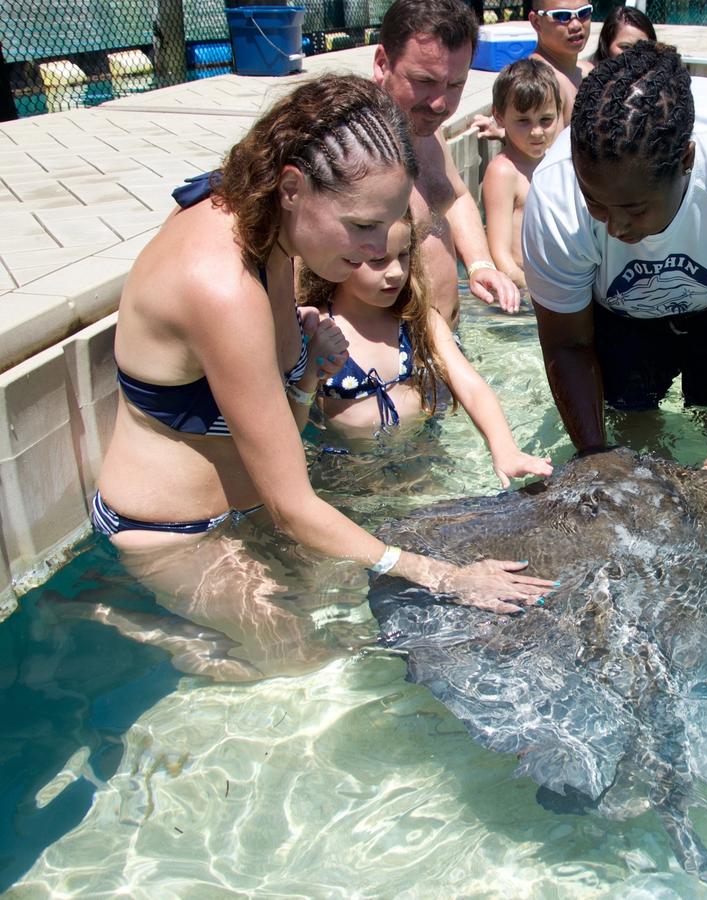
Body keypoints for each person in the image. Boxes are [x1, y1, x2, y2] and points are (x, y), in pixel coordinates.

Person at [91, 75, 553, 681]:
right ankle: (119, 616)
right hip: (173, 533)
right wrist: (444, 575)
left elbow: (281, 425)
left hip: (248, 514)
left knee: (350, 624)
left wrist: (307, 369)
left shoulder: (268, 232)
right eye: (361, 226)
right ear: (292, 187)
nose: (375, 250)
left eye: (388, 227)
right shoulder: (221, 287)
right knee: (295, 666)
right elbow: (293, 504)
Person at [523, 43, 707, 497]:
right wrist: (595, 459)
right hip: (619, 313)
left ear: (686, 160)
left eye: (634, 209)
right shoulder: (555, 192)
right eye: (596, 203)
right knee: (627, 426)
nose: (617, 227)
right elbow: (568, 342)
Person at [298, 213, 554, 486]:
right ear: (338, 259)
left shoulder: (417, 321)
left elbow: (471, 387)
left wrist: (504, 449)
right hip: (349, 471)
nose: (396, 271)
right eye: (378, 260)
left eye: (404, 255)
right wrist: (310, 373)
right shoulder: (316, 329)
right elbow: (291, 425)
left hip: (421, 458)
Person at [373, 0, 521, 326]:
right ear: (383, 63)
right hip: (398, 357)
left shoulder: (426, 128)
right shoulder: (357, 150)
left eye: (455, 85)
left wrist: (481, 265)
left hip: (447, 340)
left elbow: (456, 196)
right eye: (424, 81)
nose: (441, 104)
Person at [481, 58, 562, 290]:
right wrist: (535, 291)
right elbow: (499, 254)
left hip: (548, 282)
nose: (537, 132)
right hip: (522, 286)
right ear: (499, 117)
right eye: (523, 121)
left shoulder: (552, 162)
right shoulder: (504, 172)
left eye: (546, 120)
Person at [472, 0, 593, 139]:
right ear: (536, 22)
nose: (576, 25)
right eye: (562, 16)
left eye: (584, 13)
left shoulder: (588, 70)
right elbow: (546, 153)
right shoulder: (545, 82)